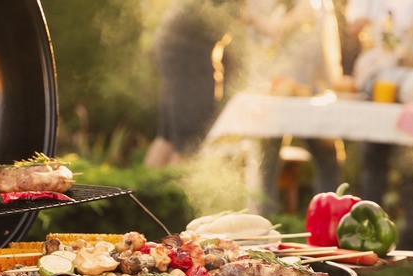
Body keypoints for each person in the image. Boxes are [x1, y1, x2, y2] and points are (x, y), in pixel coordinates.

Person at [345, 0, 413, 250]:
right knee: (373, 162)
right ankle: (367, 235)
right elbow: (354, 20)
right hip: (378, 81)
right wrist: (362, 23)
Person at [241, 0, 344, 214]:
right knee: (265, 163)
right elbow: (266, 40)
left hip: (309, 93)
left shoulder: (318, 4)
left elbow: (327, 48)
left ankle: (329, 218)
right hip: (272, 91)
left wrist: (332, 83)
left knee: (328, 157)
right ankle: (261, 225)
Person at [143, 0, 241, 168]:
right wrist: (297, 16)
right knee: (188, 143)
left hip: (173, 47)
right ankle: (174, 193)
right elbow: (266, 28)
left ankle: (145, 193)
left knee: (167, 136)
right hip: (188, 58)